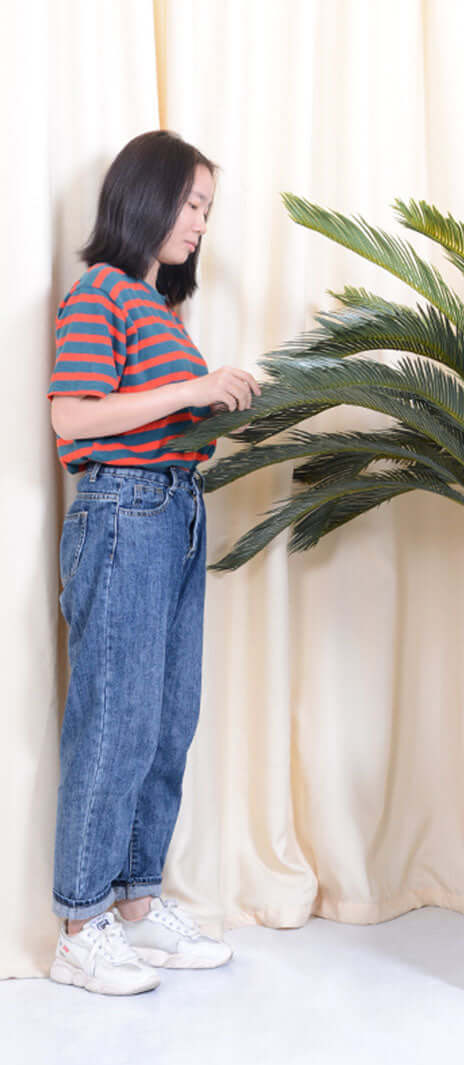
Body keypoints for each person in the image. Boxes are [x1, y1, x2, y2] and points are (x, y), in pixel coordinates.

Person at [46, 130, 260, 995]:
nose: (200, 223)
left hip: (175, 510)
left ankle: (137, 904)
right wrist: (192, 392)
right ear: (146, 196)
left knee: (170, 718)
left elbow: (157, 414)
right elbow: (73, 417)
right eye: (191, 203)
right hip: (123, 511)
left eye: (208, 208)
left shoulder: (160, 311)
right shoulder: (99, 294)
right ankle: (79, 924)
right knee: (117, 719)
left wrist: (224, 405)